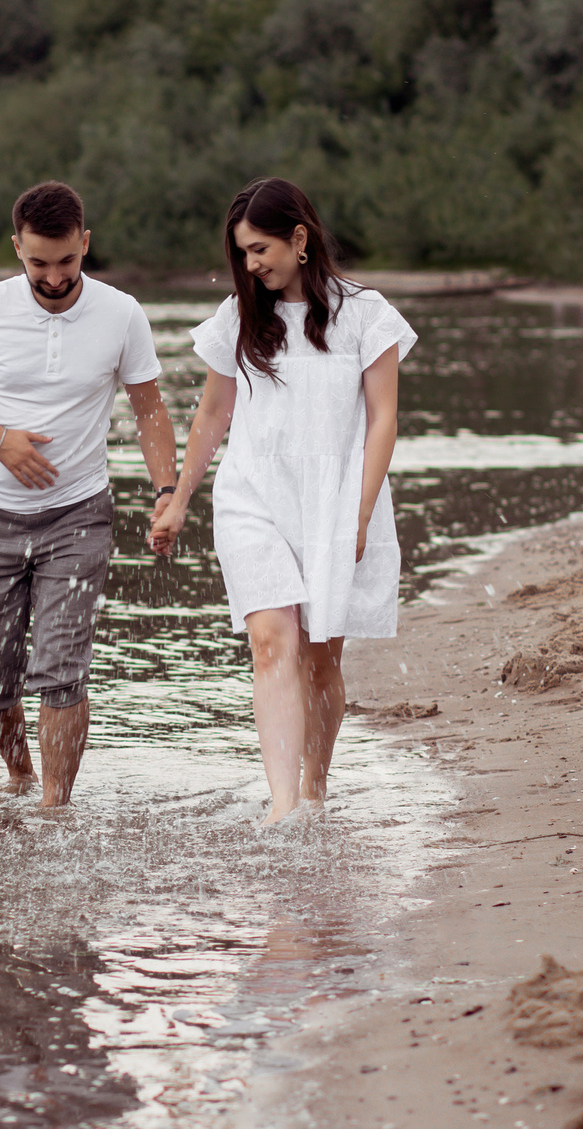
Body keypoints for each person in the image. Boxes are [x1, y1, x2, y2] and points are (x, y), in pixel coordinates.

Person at [148, 178, 415, 825]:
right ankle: (282, 805)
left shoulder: (365, 314)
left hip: (334, 499)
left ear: (300, 238)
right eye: (241, 252)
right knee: (272, 641)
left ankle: (314, 789)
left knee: (321, 660)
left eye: (259, 248)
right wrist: (178, 497)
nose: (250, 264)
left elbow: (383, 420)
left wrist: (359, 510)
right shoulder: (238, 318)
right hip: (252, 495)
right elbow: (213, 412)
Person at [0, 181, 175, 808]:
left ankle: (54, 812)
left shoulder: (121, 314)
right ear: (17, 250)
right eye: (38, 262)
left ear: (85, 244)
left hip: (79, 515)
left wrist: (167, 490)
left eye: (66, 260)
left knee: (61, 672)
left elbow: (149, 413)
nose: (54, 276)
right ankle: (21, 774)